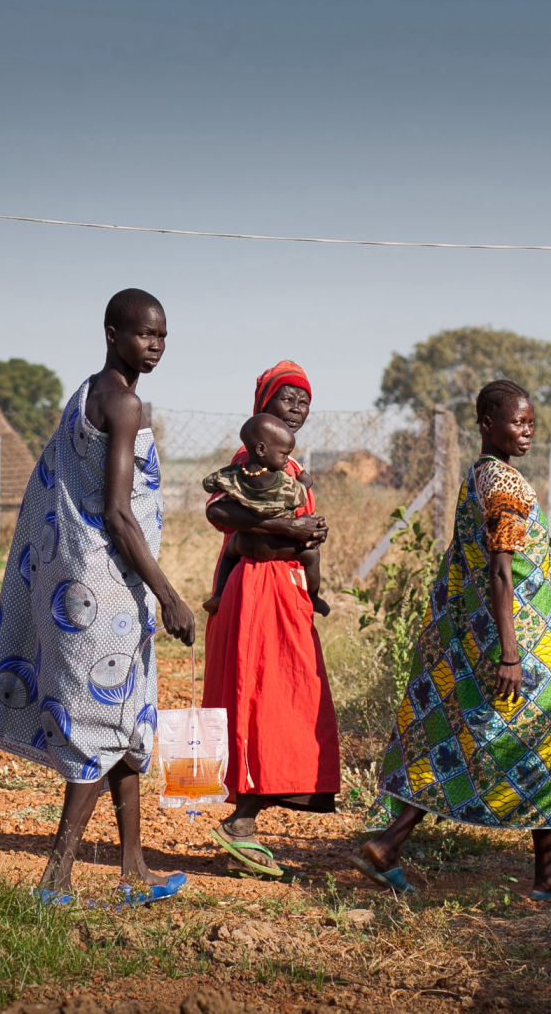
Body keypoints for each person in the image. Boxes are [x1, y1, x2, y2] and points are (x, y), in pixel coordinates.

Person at [0, 287, 196, 905]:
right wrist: (169, 596)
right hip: (107, 587)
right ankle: (56, 877)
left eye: (163, 336)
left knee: (126, 726)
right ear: (111, 332)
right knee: (100, 730)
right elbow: (120, 515)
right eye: (145, 334)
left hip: (82, 581)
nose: (156, 346)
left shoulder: (87, 392)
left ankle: (132, 871)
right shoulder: (123, 404)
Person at [351, 379, 551, 902]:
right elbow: (500, 572)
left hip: (479, 640)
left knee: (476, 736)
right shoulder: (504, 485)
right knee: (519, 741)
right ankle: (541, 873)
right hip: (512, 645)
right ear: (486, 424)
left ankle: (393, 848)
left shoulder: (481, 476)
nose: (527, 431)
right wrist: (510, 653)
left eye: (532, 422)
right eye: (517, 422)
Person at [202, 360, 340, 877]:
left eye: (305, 399)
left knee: (284, 698)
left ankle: (246, 820)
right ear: (263, 409)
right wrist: (286, 524)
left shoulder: (290, 466)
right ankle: (242, 823)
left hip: (285, 589)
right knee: (262, 697)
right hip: (259, 588)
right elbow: (219, 514)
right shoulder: (250, 461)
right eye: (288, 398)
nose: (299, 406)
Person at [201, 413, 328, 617]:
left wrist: (214, 481)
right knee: (312, 555)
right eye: (284, 454)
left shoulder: (234, 474)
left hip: (245, 543)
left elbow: (210, 482)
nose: (286, 459)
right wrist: (305, 481)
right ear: (261, 449)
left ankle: (218, 594)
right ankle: (314, 597)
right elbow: (301, 496)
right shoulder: (282, 483)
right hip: (274, 546)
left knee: (228, 555)